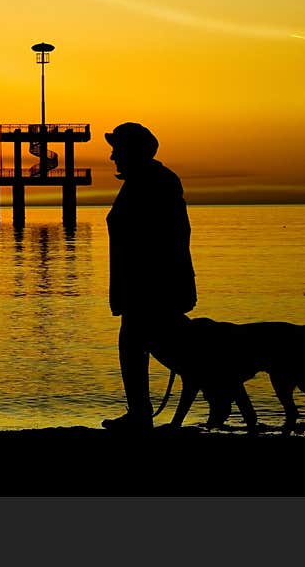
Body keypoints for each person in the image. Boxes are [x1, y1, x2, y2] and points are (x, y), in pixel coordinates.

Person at [102, 122, 196, 430]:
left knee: (146, 345)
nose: (112, 156)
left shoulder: (154, 182)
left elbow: (173, 235)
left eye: (117, 149)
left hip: (151, 287)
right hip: (143, 287)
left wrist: (168, 283)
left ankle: (141, 414)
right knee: (145, 345)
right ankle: (142, 412)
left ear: (132, 150)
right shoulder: (145, 181)